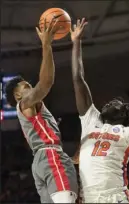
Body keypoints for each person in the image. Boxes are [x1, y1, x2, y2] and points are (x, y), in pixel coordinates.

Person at [70, 18, 129, 203]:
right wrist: (76, 42)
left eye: (118, 103)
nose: (112, 102)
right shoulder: (91, 119)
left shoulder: (127, 132)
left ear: (122, 116)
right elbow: (78, 78)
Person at [5, 18, 78, 203]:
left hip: (42, 161)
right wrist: (46, 45)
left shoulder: (31, 113)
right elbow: (46, 83)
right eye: (26, 86)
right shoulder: (26, 103)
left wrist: (68, 158)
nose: (31, 88)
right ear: (18, 96)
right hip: (50, 158)